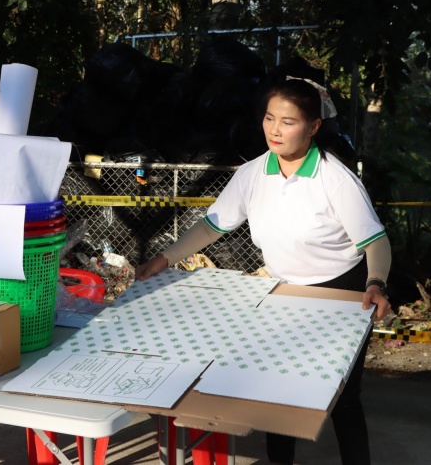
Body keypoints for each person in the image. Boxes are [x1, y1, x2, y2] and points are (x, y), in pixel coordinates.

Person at [135, 75, 392, 465]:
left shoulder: (336, 180)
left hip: (343, 292)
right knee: (279, 389)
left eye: (288, 122)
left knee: (342, 396)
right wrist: (164, 258)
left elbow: (375, 241)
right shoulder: (251, 174)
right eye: (270, 118)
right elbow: (211, 226)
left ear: (314, 127)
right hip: (284, 290)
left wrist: (376, 283)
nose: (275, 129)